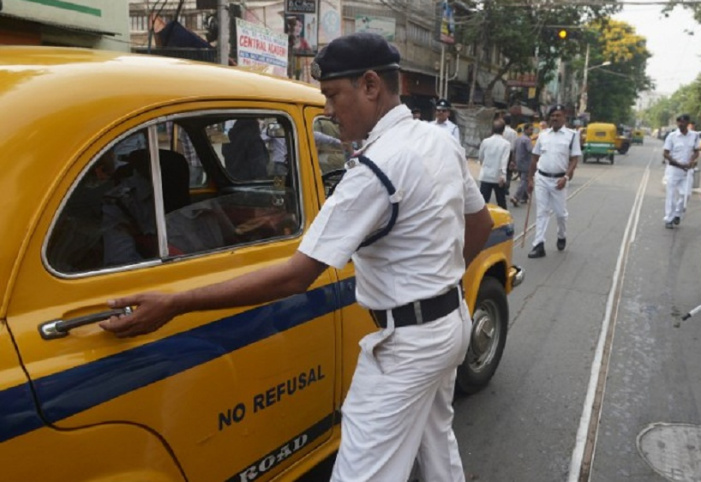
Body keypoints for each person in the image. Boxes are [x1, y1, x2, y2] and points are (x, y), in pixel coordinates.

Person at [99, 32, 493, 480]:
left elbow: (295, 277)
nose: (327, 110)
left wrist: (175, 302)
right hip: (448, 323)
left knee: (360, 473)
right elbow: (478, 226)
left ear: (369, 85)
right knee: (436, 447)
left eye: (331, 95)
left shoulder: (375, 168)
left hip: (405, 347)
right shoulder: (435, 139)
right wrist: (436, 282)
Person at [526, 104, 581, 258]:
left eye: (558, 115)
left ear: (564, 118)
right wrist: (530, 178)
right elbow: (535, 158)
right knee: (542, 212)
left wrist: (565, 177)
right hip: (542, 178)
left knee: (560, 214)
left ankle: (561, 235)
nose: (555, 118)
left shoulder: (572, 136)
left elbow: (574, 160)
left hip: (559, 181)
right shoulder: (543, 135)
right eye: (553, 116)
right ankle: (538, 244)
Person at [662, 114, 700, 228]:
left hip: (687, 171)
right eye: (679, 121)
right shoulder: (672, 136)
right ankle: (669, 219)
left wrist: (692, 160)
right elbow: (665, 153)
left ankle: (677, 214)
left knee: (686, 194)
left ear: (688, 123)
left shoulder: (695, 136)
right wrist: (679, 164)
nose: (681, 124)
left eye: (683, 122)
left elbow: (696, 151)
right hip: (673, 170)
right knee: (671, 196)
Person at [477, 119, 510, 208]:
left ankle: (482, 220)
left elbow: (480, 157)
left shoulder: (485, 141)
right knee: (501, 202)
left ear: (492, 129)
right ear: (503, 130)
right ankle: (504, 221)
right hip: (498, 177)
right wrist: (503, 175)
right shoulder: (506, 144)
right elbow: (504, 161)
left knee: (483, 202)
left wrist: (485, 166)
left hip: (486, 175)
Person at [510, 123, 534, 206]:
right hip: (526, 163)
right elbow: (531, 151)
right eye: (531, 129)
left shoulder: (518, 139)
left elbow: (514, 151)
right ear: (526, 130)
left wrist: (513, 162)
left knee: (523, 180)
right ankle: (516, 197)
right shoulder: (527, 140)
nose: (532, 131)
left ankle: (524, 197)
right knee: (524, 181)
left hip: (519, 163)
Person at [501, 114, 518, 192]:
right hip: (510, 153)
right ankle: (506, 187)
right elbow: (515, 146)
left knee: (501, 169)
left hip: (501, 152)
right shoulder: (514, 132)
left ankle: (501, 186)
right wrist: (513, 160)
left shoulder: (501, 130)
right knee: (509, 171)